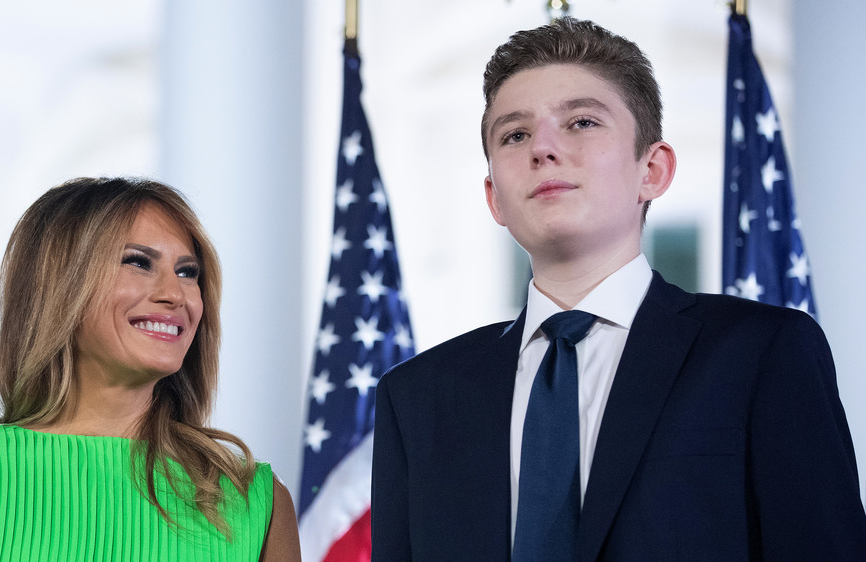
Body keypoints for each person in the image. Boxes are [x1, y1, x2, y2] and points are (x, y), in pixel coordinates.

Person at [371, 17, 866, 561]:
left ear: (652, 169)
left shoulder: (763, 353)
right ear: (494, 197)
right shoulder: (417, 397)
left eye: (582, 122)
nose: (543, 148)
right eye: (515, 134)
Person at [0, 177, 301, 561]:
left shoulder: (255, 501)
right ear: (60, 284)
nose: (176, 294)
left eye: (188, 272)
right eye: (138, 262)